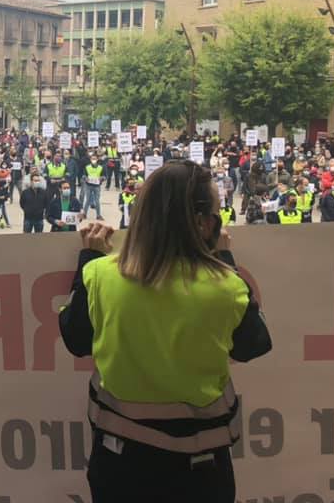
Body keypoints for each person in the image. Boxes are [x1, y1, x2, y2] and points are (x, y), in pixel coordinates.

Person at [59, 161, 271, 503]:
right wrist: (225, 259)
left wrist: (88, 257)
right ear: (203, 223)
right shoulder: (227, 286)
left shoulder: (99, 274)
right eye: (217, 213)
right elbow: (253, 344)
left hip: (119, 465)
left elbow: (76, 339)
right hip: (201, 471)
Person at [82, 153, 106, 221]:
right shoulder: (87, 167)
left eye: (95, 159)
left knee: (97, 201)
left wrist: (102, 178)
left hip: (97, 186)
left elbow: (104, 176)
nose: (93, 160)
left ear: (97, 159)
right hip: (88, 185)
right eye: (92, 159)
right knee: (87, 200)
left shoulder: (101, 167)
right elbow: (83, 175)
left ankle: (98, 215)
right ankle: (84, 214)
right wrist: (85, 178)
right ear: (90, 159)